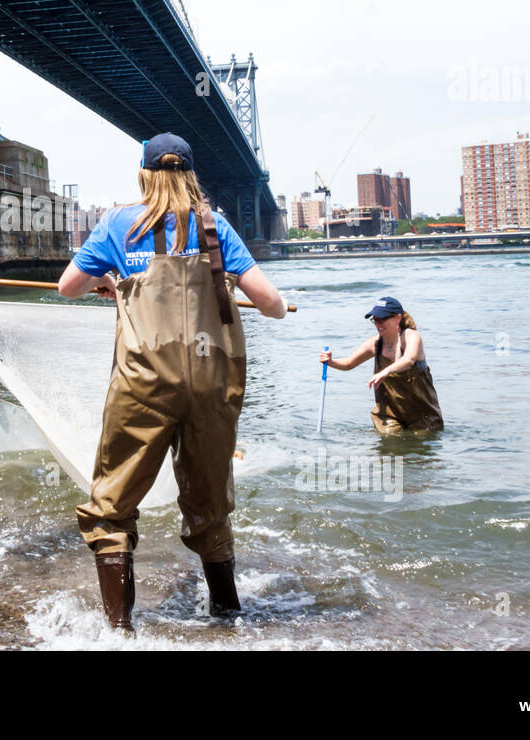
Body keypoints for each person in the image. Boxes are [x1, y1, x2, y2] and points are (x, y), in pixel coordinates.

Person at [57, 133, 287, 630]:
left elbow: (67, 286)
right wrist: (240, 288)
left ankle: (120, 632)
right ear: (190, 175)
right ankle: (228, 619)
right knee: (210, 503)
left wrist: (110, 280)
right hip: (210, 384)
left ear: (144, 174)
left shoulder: (118, 223)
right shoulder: (215, 225)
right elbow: (272, 305)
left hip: (143, 382)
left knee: (112, 506)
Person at [319, 296, 444, 435]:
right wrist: (330, 361)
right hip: (389, 415)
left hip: (422, 415)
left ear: (398, 318)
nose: (378, 324)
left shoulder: (411, 336)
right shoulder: (375, 343)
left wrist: (385, 371)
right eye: (375, 319)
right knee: (391, 443)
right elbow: (349, 364)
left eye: (382, 319)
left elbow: (409, 360)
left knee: (419, 449)